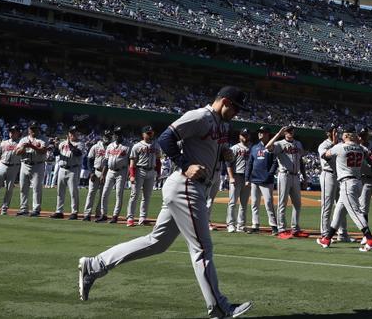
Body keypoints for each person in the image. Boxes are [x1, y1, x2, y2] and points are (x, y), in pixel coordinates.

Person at [78, 86, 255, 318]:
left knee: (157, 242)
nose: (237, 113)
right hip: (185, 187)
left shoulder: (221, 123)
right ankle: (220, 308)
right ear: (224, 101)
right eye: (236, 108)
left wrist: (224, 154)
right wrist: (186, 164)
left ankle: (95, 265)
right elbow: (165, 138)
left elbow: (212, 147)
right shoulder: (199, 116)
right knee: (202, 249)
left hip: (193, 188)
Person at [320, 130, 372, 250]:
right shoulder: (361, 147)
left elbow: (324, 156)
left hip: (347, 183)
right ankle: (327, 239)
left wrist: (335, 149)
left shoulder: (339, 147)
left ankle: (370, 239)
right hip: (358, 182)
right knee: (339, 211)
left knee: (355, 212)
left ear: (346, 136)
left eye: (343, 134)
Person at [264, 125, 304, 237]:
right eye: (288, 131)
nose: (290, 133)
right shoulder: (280, 143)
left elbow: (301, 160)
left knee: (297, 203)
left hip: (296, 176)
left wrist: (304, 176)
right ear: (284, 133)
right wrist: (278, 134)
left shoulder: (298, 144)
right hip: (284, 175)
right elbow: (268, 147)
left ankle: (295, 228)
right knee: (283, 203)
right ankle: (281, 229)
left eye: (292, 131)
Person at [246, 127, 277, 234]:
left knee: (268, 203)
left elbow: (274, 162)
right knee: (254, 203)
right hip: (254, 179)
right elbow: (250, 163)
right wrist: (247, 178)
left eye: (262, 132)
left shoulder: (271, 147)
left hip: (266, 180)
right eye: (259, 132)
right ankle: (255, 225)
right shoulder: (254, 147)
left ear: (268, 134)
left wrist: (270, 174)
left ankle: (274, 226)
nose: (260, 134)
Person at [128, 126, 160, 227]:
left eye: (151, 132)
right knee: (134, 195)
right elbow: (132, 162)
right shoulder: (137, 146)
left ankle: (142, 218)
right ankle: (130, 218)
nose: (150, 134)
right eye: (148, 133)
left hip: (151, 171)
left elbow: (158, 160)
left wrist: (158, 173)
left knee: (147, 196)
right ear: (143, 134)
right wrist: (132, 176)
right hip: (139, 171)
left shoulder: (156, 145)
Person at [16, 125, 49, 217]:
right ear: (29, 130)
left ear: (38, 129)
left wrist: (31, 146)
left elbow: (43, 151)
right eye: (32, 129)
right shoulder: (23, 139)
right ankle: (23, 208)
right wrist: (23, 148)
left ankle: (36, 209)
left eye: (35, 128)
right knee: (23, 188)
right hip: (25, 164)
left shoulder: (43, 139)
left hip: (38, 164)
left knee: (37, 188)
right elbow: (17, 152)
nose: (33, 130)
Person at [100, 128, 131, 224]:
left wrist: (130, 173)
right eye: (115, 134)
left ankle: (115, 216)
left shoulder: (128, 146)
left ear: (122, 135)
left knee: (118, 194)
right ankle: (103, 214)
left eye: (119, 134)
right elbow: (106, 161)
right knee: (105, 192)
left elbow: (131, 161)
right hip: (110, 171)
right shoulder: (110, 146)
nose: (116, 135)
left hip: (121, 171)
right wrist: (103, 174)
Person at [317, 125, 341, 242]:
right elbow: (325, 157)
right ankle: (324, 234)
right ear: (328, 133)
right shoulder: (324, 145)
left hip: (339, 175)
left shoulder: (340, 144)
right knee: (327, 205)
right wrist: (335, 145)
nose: (335, 133)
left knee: (341, 205)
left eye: (336, 131)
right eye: (333, 131)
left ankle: (342, 233)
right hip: (328, 174)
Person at [53, 126, 84, 220]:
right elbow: (55, 153)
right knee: (60, 191)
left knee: (73, 192)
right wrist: (55, 146)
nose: (72, 134)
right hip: (62, 168)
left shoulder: (80, 144)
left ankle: (74, 212)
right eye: (71, 133)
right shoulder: (62, 143)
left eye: (74, 133)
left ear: (77, 134)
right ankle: (59, 211)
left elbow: (77, 153)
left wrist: (69, 143)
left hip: (73, 170)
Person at [226, 129, 251, 233]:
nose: (245, 137)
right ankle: (230, 224)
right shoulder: (235, 148)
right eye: (243, 135)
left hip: (247, 178)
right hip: (236, 176)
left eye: (246, 135)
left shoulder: (252, 148)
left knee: (244, 203)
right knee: (232, 202)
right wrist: (231, 177)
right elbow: (228, 164)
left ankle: (240, 225)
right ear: (240, 136)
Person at [83, 131, 111, 221]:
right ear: (102, 136)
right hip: (96, 171)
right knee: (91, 193)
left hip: (107, 173)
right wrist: (91, 172)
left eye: (109, 136)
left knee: (103, 194)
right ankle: (87, 214)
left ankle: (99, 213)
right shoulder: (95, 146)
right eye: (106, 135)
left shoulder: (112, 147)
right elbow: (90, 160)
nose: (107, 137)